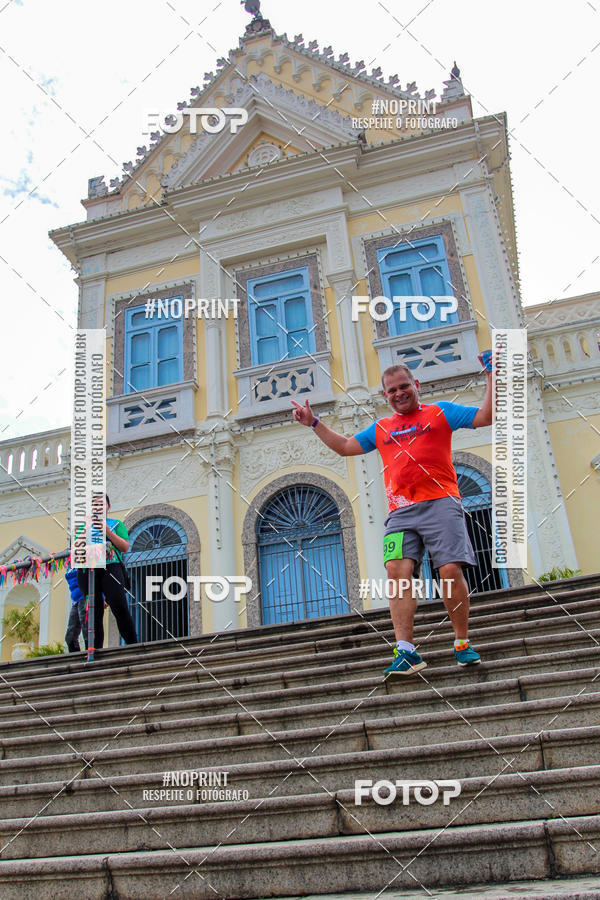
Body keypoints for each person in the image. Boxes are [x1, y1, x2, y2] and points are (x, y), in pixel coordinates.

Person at [291, 358, 494, 676]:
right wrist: (314, 423)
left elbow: (485, 417)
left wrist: (493, 375)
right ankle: (407, 651)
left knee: (451, 569)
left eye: (404, 386)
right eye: (391, 390)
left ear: (417, 386)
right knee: (396, 573)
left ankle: (461, 642)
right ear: (384, 396)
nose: (399, 393)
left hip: (441, 502)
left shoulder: (440, 412)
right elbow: (345, 447)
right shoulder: (382, 428)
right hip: (400, 512)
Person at [76, 494, 138, 651]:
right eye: (94, 504)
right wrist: (87, 528)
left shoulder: (116, 524)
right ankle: (96, 650)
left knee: (119, 606)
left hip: (111, 567)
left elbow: (124, 547)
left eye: (101, 504)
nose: (97, 507)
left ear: (108, 507)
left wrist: (107, 531)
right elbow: (76, 551)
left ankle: (133, 645)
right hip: (87, 570)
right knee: (94, 611)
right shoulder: (83, 527)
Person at [64, 566, 84, 652]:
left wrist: (102, 596)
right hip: (76, 600)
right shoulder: (68, 562)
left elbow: (97, 575)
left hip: (86, 597)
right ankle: (77, 659)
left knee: (87, 630)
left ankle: (91, 655)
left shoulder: (85, 556)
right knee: (70, 637)